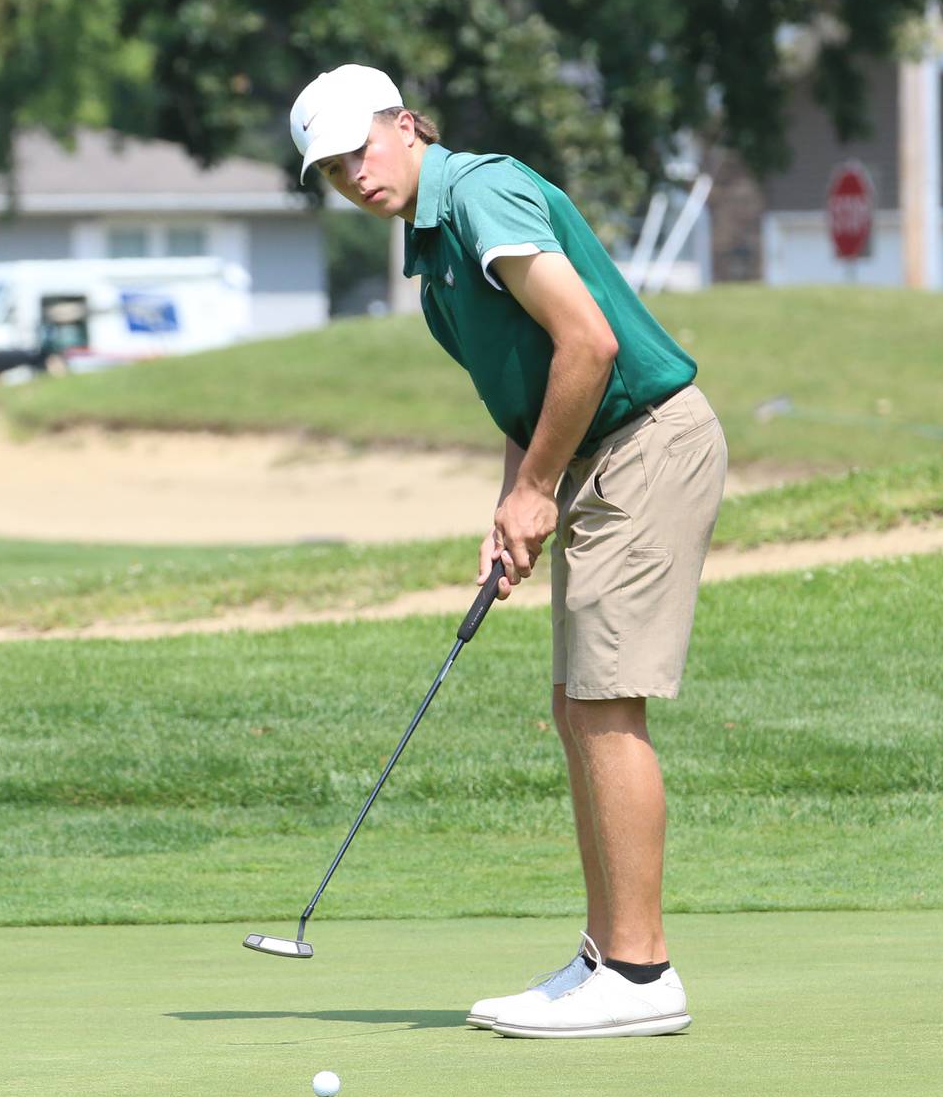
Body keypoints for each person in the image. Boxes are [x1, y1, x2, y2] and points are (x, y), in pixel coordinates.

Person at [290, 64, 726, 1039]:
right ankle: (605, 954)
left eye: (361, 149)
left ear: (406, 125)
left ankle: (644, 977)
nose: (354, 177)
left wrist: (537, 489)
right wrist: (509, 509)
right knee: (577, 702)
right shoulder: (430, 253)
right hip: (595, 456)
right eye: (330, 170)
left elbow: (591, 345)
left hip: (646, 442)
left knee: (607, 699)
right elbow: (526, 392)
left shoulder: (480, 193)